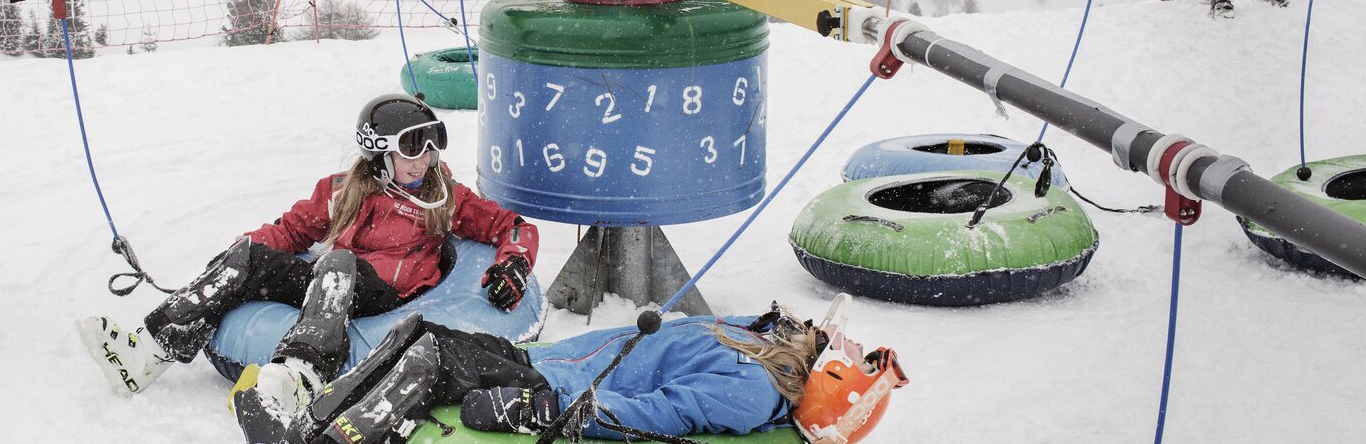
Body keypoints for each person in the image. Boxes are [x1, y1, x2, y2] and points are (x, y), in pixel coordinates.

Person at [80, 93, 540, 409]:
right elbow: (290, 231)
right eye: (412, 147)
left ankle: (303, 373)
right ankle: (150, 350)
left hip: (387, 294)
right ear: (379, 153)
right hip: (330, 284)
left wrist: (513, 265)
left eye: (432, 145)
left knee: (338, 263)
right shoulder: (342, 192)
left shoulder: (444, 198)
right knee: (251, 257)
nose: (425, 159)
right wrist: (236, 256)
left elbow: (512, 227)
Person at [232, 298, 909, 444]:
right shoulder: (761, 343)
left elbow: (662, 413)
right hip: (549, 361)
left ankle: (327, 440)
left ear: (828, 377)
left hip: (554, 387)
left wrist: (547, 414)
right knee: (420, 332)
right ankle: (314, 418)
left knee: (433, 358)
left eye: (839, 350)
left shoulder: (754, 389)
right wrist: (783, 326)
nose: (832, 336)